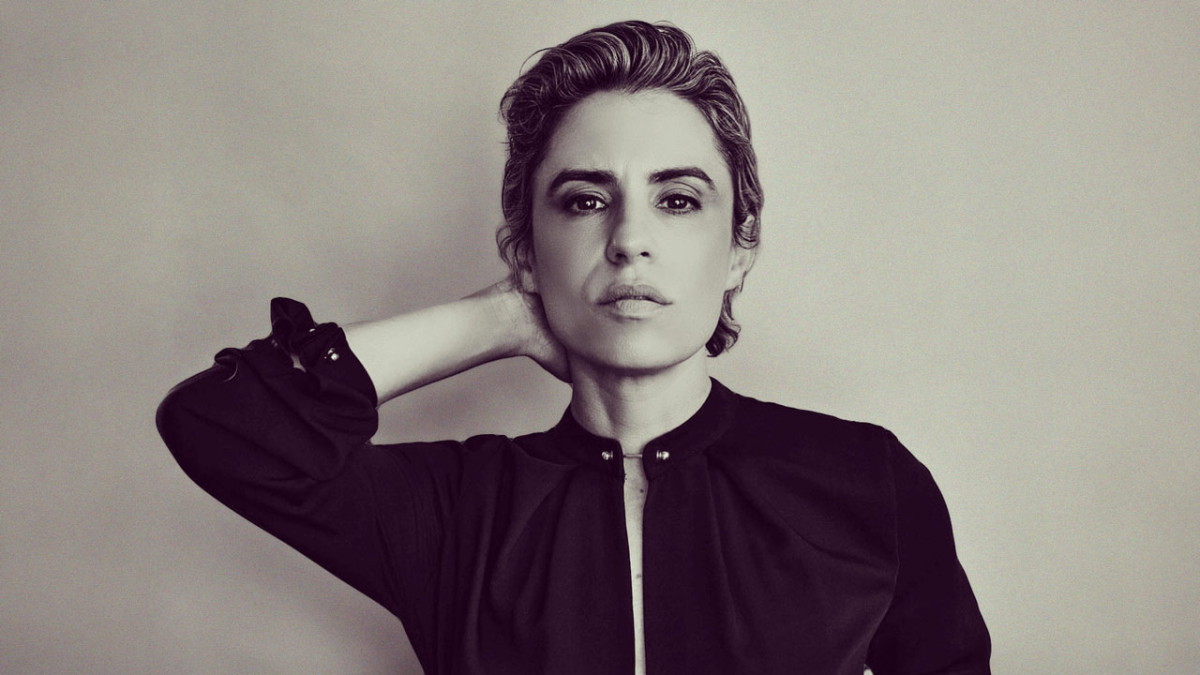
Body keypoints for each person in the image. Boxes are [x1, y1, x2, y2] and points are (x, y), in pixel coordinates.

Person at [157, 20, 990, 675]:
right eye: (586, 201)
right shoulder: (459, 512)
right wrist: (495, 319)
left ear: (740, 247)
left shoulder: (865, 481)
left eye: (678, 200)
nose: (629, 240)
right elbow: (217, 426)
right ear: (526, 249)